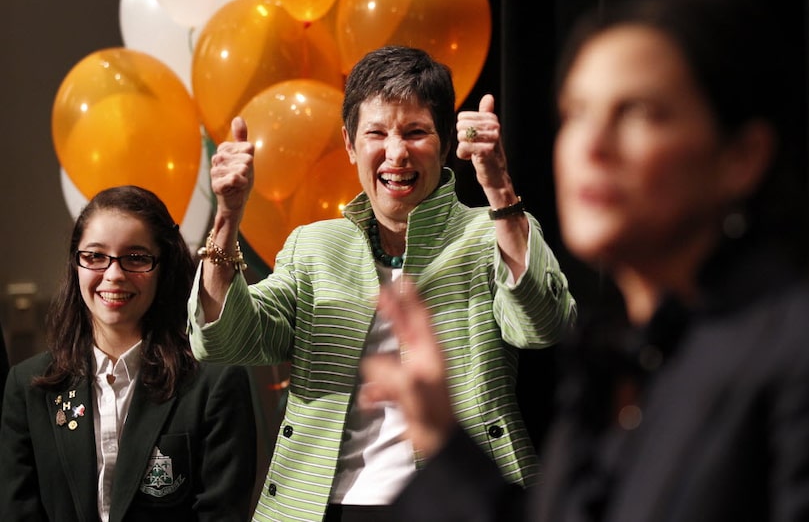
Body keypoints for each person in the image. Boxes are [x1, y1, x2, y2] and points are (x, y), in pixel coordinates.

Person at [359, 0, 809, 521]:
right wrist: (440, 435)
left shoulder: (805, 355)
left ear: (742, 156)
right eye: (576, 114)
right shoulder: (613, 360)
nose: (593, 144)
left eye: (640, 112)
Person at [187, 45, 577, 522]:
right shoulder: (313, 248)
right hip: (323, 507)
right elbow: (223, 339)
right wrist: (227, 216)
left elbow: (544, 325)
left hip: (461, 501)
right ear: (350, 143)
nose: (396, 153)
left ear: (446, 142)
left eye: (416, 132)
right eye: (376, 133)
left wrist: (499, 189)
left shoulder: (489, 232)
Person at [0, 185, 257, 521]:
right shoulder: (29, 386)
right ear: (75, 264)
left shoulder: (214, 384)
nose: (114, 275)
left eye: (136, 258)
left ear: (163, 267)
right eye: (95, 257)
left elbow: (222, 513)